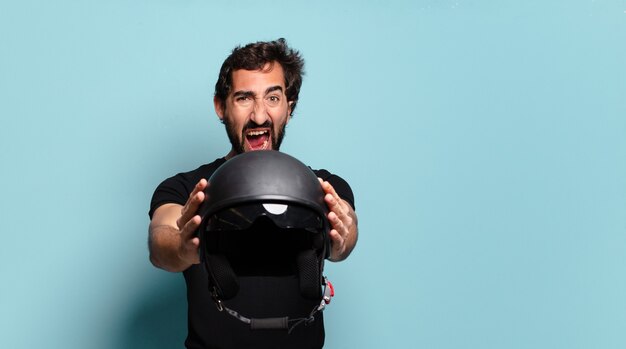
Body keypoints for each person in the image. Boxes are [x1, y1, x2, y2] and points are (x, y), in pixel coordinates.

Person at [148, 38, 358, 349]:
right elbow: (160, 240)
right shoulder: (186, 188)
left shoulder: (323, 186)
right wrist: (180, 246)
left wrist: (344, 237)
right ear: (221, 106)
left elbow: (346, 235)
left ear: (289, 108)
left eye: (273, 98)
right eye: (244, 98)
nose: (259, 116)